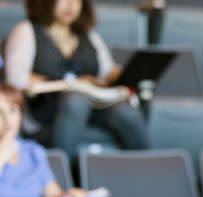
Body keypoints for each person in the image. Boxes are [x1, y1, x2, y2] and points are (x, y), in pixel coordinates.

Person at [4, 0, 148, 159]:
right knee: (76, 101)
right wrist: (67, 83)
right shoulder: (27, 30)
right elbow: (15, 78)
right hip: (47, 111)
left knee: (125, 110)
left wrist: (131, 73)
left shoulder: (88, 34)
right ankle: (58, 175)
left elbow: (107, 71)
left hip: (93, 106)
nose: (71, 4)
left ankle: (149, 169)